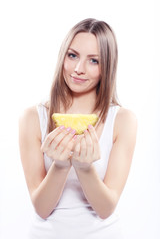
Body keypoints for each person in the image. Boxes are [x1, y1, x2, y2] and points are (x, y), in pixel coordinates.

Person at [19, 18, 137, 239]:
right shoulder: (33, 118)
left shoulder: (123, 120)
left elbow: (105, 209)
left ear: (107, 67)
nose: (78, 69)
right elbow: (42, 209)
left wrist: (84, 169)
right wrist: (61, 165)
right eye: (72, 55)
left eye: (94, 61)